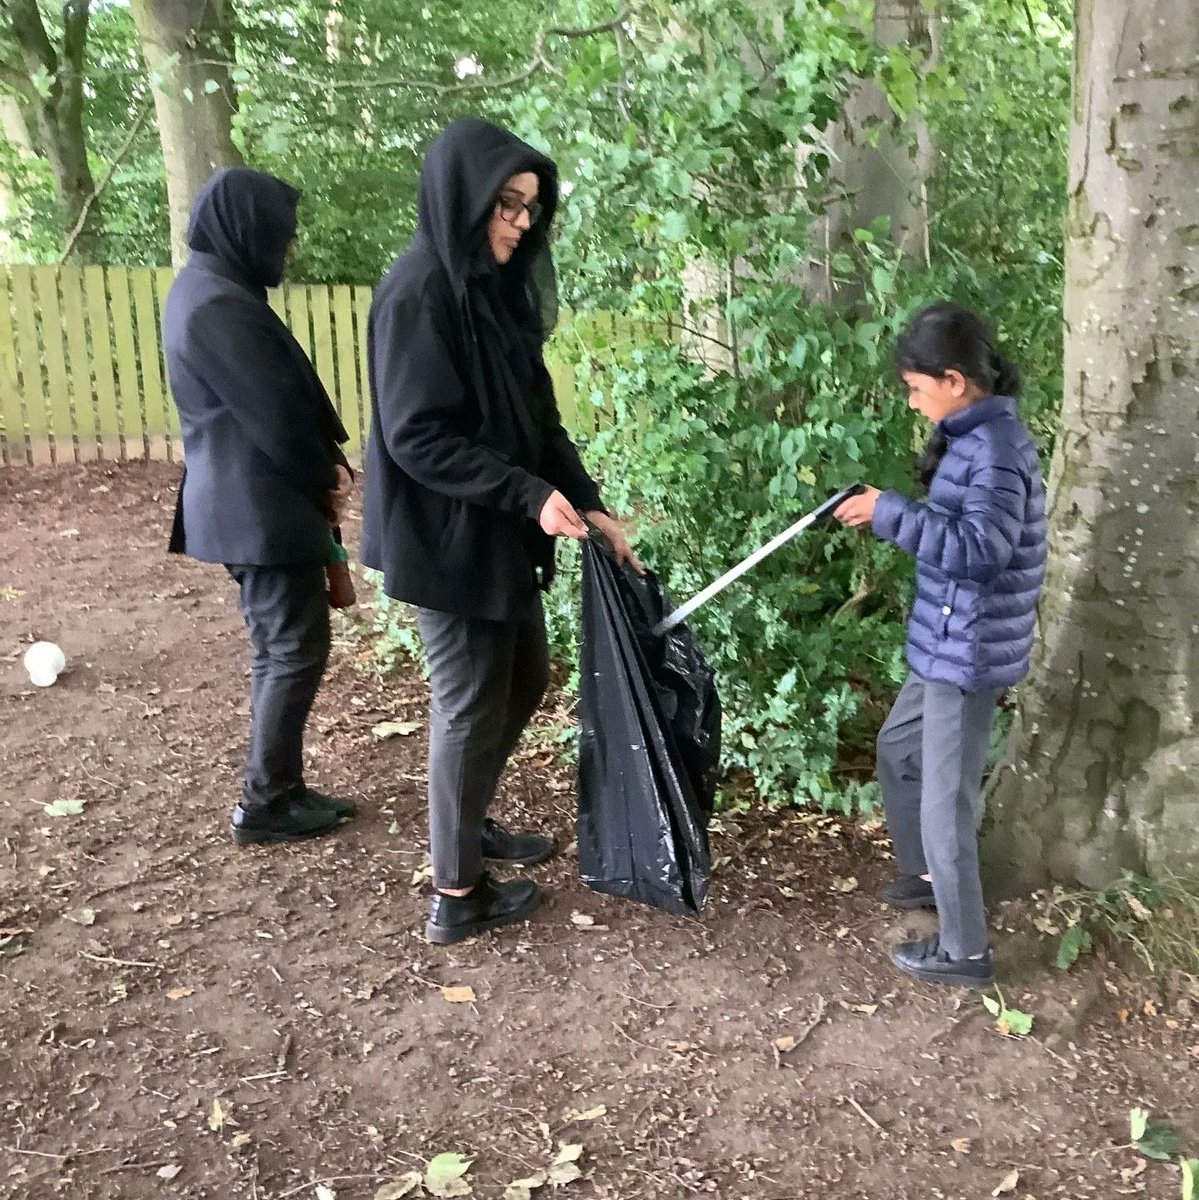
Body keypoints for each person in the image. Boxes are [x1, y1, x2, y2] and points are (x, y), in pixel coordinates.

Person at [361, 118, 639, 945]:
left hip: (503, 530)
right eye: (506, 206)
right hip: (446, 537)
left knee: (520, 681)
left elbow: (540, 423)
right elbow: (417, 437)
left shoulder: (495, 292)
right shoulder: (417, 293)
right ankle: (456, 891)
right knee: (470, 700)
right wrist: (525, 495)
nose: (521, 223)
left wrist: (586, 501)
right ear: (463, 197)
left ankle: (467, 820)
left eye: (530, 209)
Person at [834, 302, 1047, 988]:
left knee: (944, 801)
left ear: (954, 380)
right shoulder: (968, 433)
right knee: (898, 749)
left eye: (915, 387)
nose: (911, 400)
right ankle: (929, 875)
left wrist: (890, 513)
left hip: (970, 648)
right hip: (945, 638)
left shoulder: (996, 451)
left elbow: (981, 551)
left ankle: (964, 950)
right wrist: (886, 506)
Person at [164, 167, 358, 847]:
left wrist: (322, 465)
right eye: (282, 233)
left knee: (282, 647)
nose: (291, 247)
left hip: (251, 503)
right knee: (293, 649)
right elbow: (273, 415)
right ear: (248, 229)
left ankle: (277, 787)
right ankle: (266, 801)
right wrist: (321, 474)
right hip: (258, 507)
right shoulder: (216, 302)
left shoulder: (211, 289)